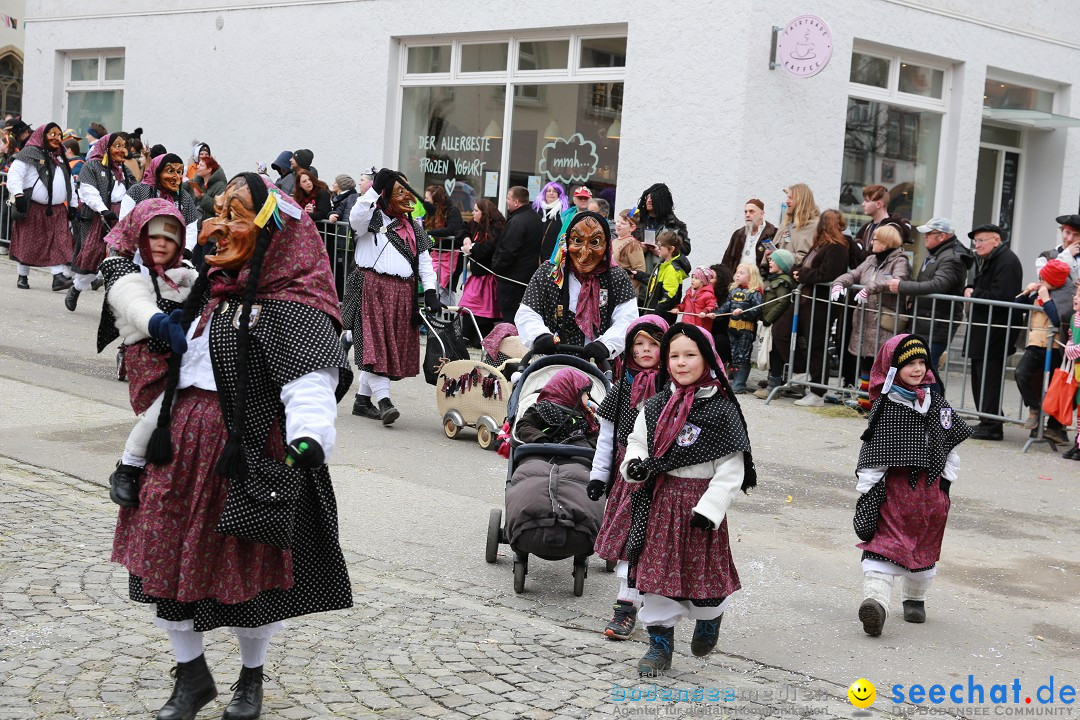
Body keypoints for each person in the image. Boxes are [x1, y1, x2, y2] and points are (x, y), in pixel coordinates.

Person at [111, 173, 353, 720]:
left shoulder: (293, 306)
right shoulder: (209, 294)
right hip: (181, 452)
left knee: (246, 573)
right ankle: (191, 677)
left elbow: (309, 381)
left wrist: (310, 436)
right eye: (218, 209)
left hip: (247, 454)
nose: (218, 223)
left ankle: (251, 680)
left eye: (236, 213)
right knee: (164, 559)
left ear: (276, 233)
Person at [620, 323, 756, 675]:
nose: (681, 363)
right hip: (661, 501)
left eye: (690, 355)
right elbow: (637, 443)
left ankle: (710, 619)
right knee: (655, 577)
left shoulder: (722, 411)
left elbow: (731, 467)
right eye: (674, 356)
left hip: (700, 505)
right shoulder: (655, 407)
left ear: (707, 358)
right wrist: (634, 465)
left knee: (704, 580)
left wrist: (710, 509)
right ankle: (659, 647)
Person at [853, 334, 971, 637]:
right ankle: (876, 603)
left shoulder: (937, 403)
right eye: (909, 364)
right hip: (894, 492)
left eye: (922, 362)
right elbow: (875, 453)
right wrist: (867, 490)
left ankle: (915, 597)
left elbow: (949, 445)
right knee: (883, 546)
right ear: (893, 367)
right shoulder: (886, 407)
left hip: (930, 492)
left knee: (925, 545)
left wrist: (945, 482)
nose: (917, 369)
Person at [96, 200, 199, 508]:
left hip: (183, 354)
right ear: (141, 236)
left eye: (170, 239)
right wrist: (159, 323)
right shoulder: (121, 269)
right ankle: (128, 466)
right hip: (147, 356)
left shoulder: (186, 274)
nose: (161, 244)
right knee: (164, 406)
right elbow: (133, 302)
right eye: (154, 236)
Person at [587, 315, 669, 641]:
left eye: (654, 344)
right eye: (639, 344)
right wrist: (598, 475)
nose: (646, 350)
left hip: (665, 477)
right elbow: (606, 436)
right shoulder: (622, 386)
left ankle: (659, 609)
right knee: (630, 543)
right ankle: (625, 606)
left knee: (658, 543)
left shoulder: (673, 385)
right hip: (628, 474)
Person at [344, 169, 442, 424]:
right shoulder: (370, 217)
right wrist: (374, 188)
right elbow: (356, 217)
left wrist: (430, 291)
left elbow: (424, 263)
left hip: (402, 294)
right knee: (375, 346)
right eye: (400, 190)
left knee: (387, 348)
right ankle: (384, 401)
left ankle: (362, 400)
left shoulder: (412, 227)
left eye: (408, 190)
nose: (407, 196)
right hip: (371, 288)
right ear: (386, 194)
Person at [515, 210, 637, 363]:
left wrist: (605, 345)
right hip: (550, 363)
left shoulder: (617, 278)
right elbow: (527, 312)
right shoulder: (550, 273)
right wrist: (540, 336)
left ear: (607, 245)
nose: (585, 253)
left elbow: (627, 319)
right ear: (567, 241)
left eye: (595, 242)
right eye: (577, 241)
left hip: (599, 368)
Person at [886, 218, 973, 394]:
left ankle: (937, 410)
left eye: (929, 234)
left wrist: (903, 287)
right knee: (924, 366)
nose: (924, 237)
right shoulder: (938, 252)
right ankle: (929, 408)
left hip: (938, 321)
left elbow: (938, 285)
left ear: (942, 236)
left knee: (926, 367)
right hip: (926, 319)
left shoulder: (952, 257)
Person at [830, 225, 912, 406]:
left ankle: (880, 405)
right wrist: (839, 283)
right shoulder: (871, 260)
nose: (872, 242)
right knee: (867, 362)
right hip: (866, 320)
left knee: (883, 364)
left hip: (885, 321)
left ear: (886, 242)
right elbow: (853, 274)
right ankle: (865, 402)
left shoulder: (899, 261)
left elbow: (896, 281)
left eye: (875, 239)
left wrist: (870, 289)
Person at [963, 224, 1023, 440]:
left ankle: (992, 425)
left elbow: (1002, 297)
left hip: (995, 329)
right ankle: (988, 419)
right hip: (985, 328)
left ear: (996, 240)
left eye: (981, 240)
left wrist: (975, 292)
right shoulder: (992, 259)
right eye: (975, 241)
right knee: (980, 375)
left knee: (989, 376)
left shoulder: (1006, 261)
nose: (977, 245)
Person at [68, 132, 136, 311]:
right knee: (93, 257)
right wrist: (103, 209)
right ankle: (76, 288)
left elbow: (135, 191)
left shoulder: (125, 171)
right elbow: (88, 191)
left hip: (121, 218)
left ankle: (112, 307)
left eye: (124, 146)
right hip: (98, 218)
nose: (122, 150)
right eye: (117, 146)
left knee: (118, 259)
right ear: (107, 147)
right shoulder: (92, 166)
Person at [7, 123, 76, 291]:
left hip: (58, 209)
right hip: (33, 208)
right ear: (41, 135)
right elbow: (15, 174)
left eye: (59, 135)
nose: (56, 138)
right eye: (51, 134)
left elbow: (70, 182)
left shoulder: (60, 157)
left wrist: (73, 204)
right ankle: (23, 275)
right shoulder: (29, 154)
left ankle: (58, 277)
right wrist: (18, 194)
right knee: (29, 242)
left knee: (59, 242)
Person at [790, 209, 849, 403]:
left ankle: (818, 391)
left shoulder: (837, 248)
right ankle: (801, 375)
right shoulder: (819, 245)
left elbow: (827, 275)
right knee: (791, 335)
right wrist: (797, 271)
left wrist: (803, 275)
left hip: (822, 304)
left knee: (817, 344)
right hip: (809, 301)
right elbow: (807, 266)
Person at [1014, 260, 1070, 444]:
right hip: (1035, 344)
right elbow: (1017, 304)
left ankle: (1052, 427)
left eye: (1043, 279)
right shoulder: (1039, 290)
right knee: (1021, 373)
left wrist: (1046, 298)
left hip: (1054, 348)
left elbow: (1057, 318)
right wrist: (1028, 291)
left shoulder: (1063, 294)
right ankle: (1034, 408)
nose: (1040, 281)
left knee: (1053, 389)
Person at [121, 152, 200, 246]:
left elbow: (191, 225)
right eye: (170, 171)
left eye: (179, 172)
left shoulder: (184, 197)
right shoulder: (137, 191)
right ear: (157, 171)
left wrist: (187, 248)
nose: (176, 177)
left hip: (171, 251)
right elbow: (125, 221)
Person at [491, 186, 544, 321]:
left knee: (510, 318)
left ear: (516, 202)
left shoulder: (518, 221)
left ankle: (513, 342)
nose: (506, 202)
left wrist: (496, 268)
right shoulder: (535, 218)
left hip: (511, 280)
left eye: (508, 199)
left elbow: (508, 250)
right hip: (526, 277)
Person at [459, 198, 505, 342]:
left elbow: (488, 249)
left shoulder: (494, 229)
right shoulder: (476, 226)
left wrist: (472, 248)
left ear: (484, 213)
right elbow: (462, 228)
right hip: (477, 276)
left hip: (487, 277)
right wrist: (466, 238)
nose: (473, 213)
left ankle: (480, 340)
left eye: (476, 210)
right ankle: (465, 338)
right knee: (468, 308)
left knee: (483, 313)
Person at [716, 263, 764, 393]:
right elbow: (726, 306)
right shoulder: (733, 291)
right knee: (734, 354)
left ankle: (740, 382)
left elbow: (758, 309)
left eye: (741, 273)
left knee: (743, 354)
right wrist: (715, 314)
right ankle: (735, 380)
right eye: (737, 272)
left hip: (746, 329)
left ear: (751, 276)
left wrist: (744, 312)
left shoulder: (754, 292)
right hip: (732, 328)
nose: (737, 275)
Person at [755, 249, 796, 399]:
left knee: (775, 354)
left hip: (776, 322)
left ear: (782, 264)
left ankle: (774, 386)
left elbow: (782, 301)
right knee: (772, 353)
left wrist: (769, 318)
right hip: (772, 321)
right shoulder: (775, 279)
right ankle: (772, 381)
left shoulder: (783, 281)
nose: (770, 262)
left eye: (773, 260)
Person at [851, 185, 913, 267]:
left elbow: (879, 258)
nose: (863, 204)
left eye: (867, 200)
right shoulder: (867, 227)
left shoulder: (892, 229)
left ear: (878, 204)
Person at [423, 184, 466, 295]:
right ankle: (436, 311)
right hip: (435, 255)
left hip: (452, 256)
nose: (424, 201)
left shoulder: (452, 211)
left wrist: (428, 232)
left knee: (445, 289)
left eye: (427, 198)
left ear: (435, 201)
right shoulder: (429, 212)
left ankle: (448, 312)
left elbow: (451, 230)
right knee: (433, 286)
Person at [642, 230, 689, 326]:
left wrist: (655, 313)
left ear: (671, 249)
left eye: (660, 246)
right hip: (654, 313)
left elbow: (669, 296)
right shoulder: (662, 264)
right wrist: (637, 274)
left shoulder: (672, 269)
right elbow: (653, 282)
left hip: (661, 316)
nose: (657, 248)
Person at [721, 198, 777, 276]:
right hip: (738, 283)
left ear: (762, 214)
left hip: (760, 282)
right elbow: (727, 261)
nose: (747, 215)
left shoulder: (773, 234)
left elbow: (777, 263)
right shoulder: (738, 234)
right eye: (745, 212)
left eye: (751, 211)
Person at [636, 183, 691, 256]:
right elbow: (623, 239)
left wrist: (664, 251)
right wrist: (637, 245)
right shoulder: (637, 221)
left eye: (653, 198)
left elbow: (686, 250)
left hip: (662, 265)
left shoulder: (674, 225)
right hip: (639, 265)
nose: (649, 201)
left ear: (662, 201)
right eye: (647, 197)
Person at [775, 183, 820, 265]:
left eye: (791, 198)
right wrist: (771, 255)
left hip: (796, 275)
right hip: (776, 276)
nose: (787, 201)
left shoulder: (814, 225)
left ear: (801, 201)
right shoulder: (785, 223)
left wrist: (779, 257)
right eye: (787, 197)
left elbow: (807, 259)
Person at [1061, 288, 1080, 460]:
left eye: (1079, 295)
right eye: (1076, 294)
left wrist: (1073, 349)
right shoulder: (1074, 318)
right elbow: (1071, 337)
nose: (1075, 297)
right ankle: (1079, 443)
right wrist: (1069, 345)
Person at [534, 180, 569, 263]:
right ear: (544, 193)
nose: (551, 193)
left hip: (553, 256)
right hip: (535, 255)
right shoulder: (537, 210)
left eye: (555, 191)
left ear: (559, 195)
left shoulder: (563, 213)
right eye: (548, 191)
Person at [612, 208, 647, 292]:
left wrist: (625, 290)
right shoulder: (614, 241)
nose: (618, 225)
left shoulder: (633, 244)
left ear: (632, 228)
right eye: (618, 221)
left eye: (623, 223)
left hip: (624, 292)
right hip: (611, 287)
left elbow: (640, 271)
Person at [678, 266, 718, 333]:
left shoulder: (708, 295)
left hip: (700, 328)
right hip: (686, 324)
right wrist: (678, 308)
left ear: (703, 281)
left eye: (696, 278)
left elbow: (712, 306)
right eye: (692, 277)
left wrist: (704, 312)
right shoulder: (689, 293)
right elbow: (684, 304)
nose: (693, 280)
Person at [709, 264, 734, 368]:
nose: (708, 280)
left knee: (720, 341)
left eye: (712, 277)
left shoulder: (727, 296)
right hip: (706, 329)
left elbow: (723, 321)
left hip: (721, 333)